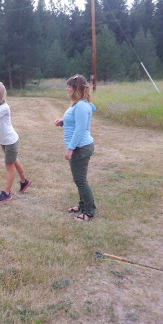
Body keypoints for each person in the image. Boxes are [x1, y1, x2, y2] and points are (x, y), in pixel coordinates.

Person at [55, 75, 96, 221]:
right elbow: (77, 121)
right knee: (79, 179)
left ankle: (89, 211)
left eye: (69, 87)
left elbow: (80, 129)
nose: (67, 89)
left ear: (76, 89)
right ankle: (82, 205)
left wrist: (70, 148)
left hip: (80, 148)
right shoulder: (79, 104)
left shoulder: (81, 106)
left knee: (81, 181)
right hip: (80, 147)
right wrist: (63, 122)